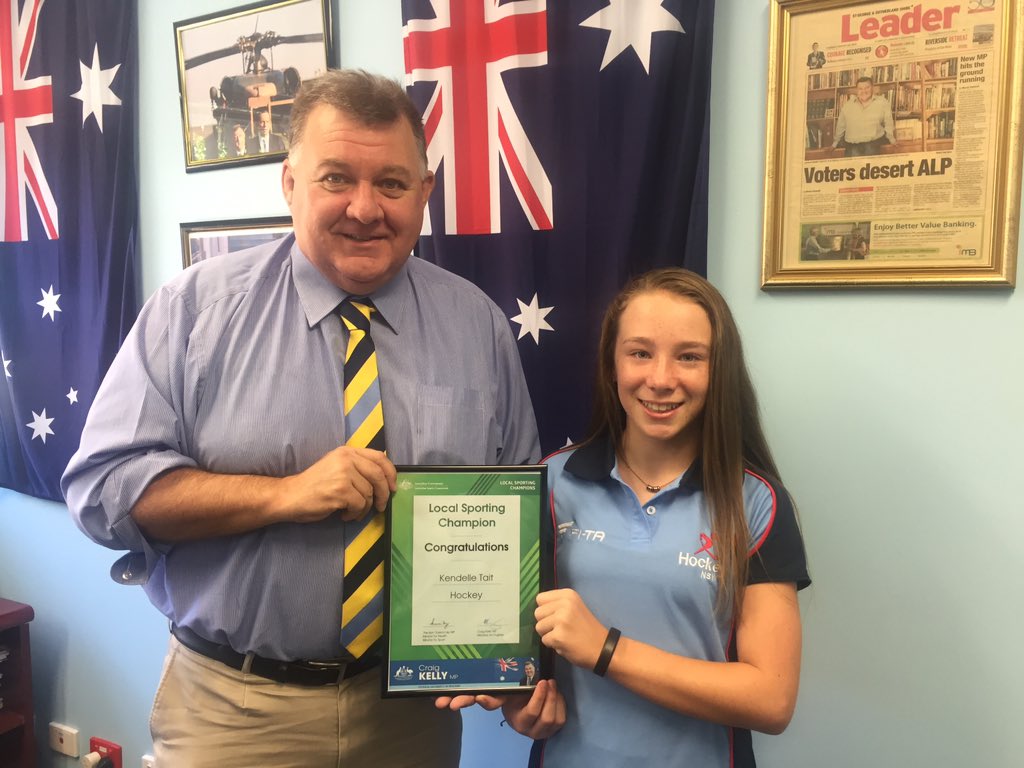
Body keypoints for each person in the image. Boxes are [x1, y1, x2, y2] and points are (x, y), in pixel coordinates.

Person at [62, 68, 540, 767]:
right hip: (234, 712)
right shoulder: (193, 311)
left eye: (392, 184)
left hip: (412, 718)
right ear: (290, 183)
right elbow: (102, 495)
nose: (365, 209)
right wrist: (284, 495)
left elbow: (518, 512)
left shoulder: (478, 326)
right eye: (336, 178)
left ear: (425, 191)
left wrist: (508, 656)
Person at [438, 268, 810, 766]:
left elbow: (771, 700)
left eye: (689, 357)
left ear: (718, 370)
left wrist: (605, 650)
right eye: (640, 353)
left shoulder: (756, 502)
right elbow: (523, 652)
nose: (661, 379)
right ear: (612, 364)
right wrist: (519, 704)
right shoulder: (550, 482)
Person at [832, 76, 895, 157]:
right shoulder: (847, 106)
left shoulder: (882, 102)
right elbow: (841, 126)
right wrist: (835, 144)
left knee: (870, 161)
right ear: (857, 90)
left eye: (867, 87)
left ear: (872, 88)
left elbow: (888, 123)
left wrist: (892, 139)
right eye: (860, 89)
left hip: (873, 144)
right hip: (852, 146)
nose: (864, 91)